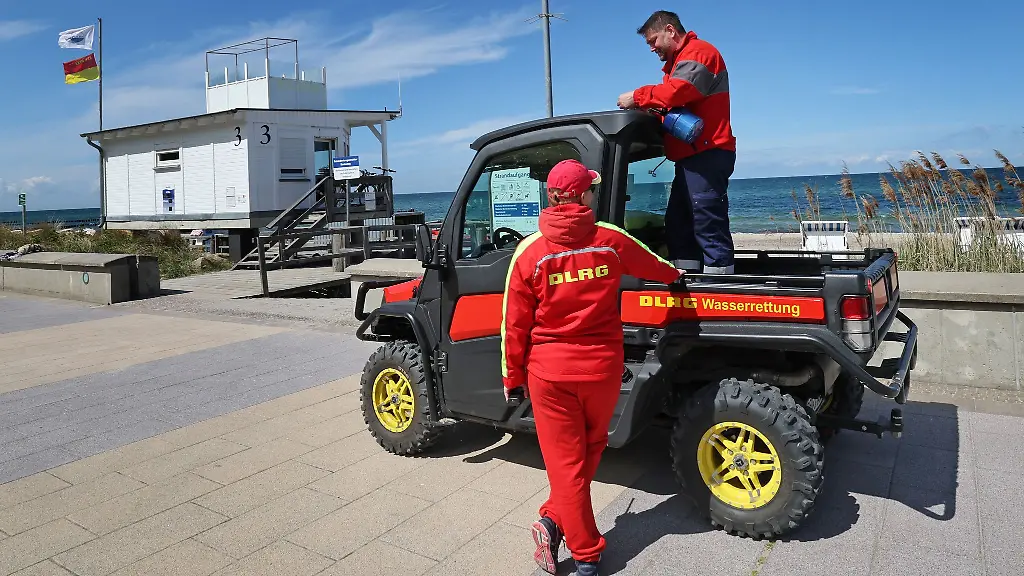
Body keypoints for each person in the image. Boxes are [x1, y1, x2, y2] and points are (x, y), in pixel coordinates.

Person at [500, 159, 684, 576]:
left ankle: (580, 551)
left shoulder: (529, 253)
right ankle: (574, 539)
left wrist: (512, 376)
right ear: (582, 195)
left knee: (567, 465)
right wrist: (676, 275)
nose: (594, 196)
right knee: (590, 448)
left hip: (550, 375)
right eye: (592, 190)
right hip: (602, 370)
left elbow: (514, 324)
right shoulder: (609, 239)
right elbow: (653, 266)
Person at [616, 10, 738, 275]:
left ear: (670, 31)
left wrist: (637, 97)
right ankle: (686, 277)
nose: (652, 48)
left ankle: (719, 284)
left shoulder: (699, 53)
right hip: (691, 157)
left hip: (707, 153)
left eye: (653, 41)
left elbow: (677, 92)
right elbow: (672, 102)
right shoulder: (679, 63)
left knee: (707, 222)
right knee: (680, 224)